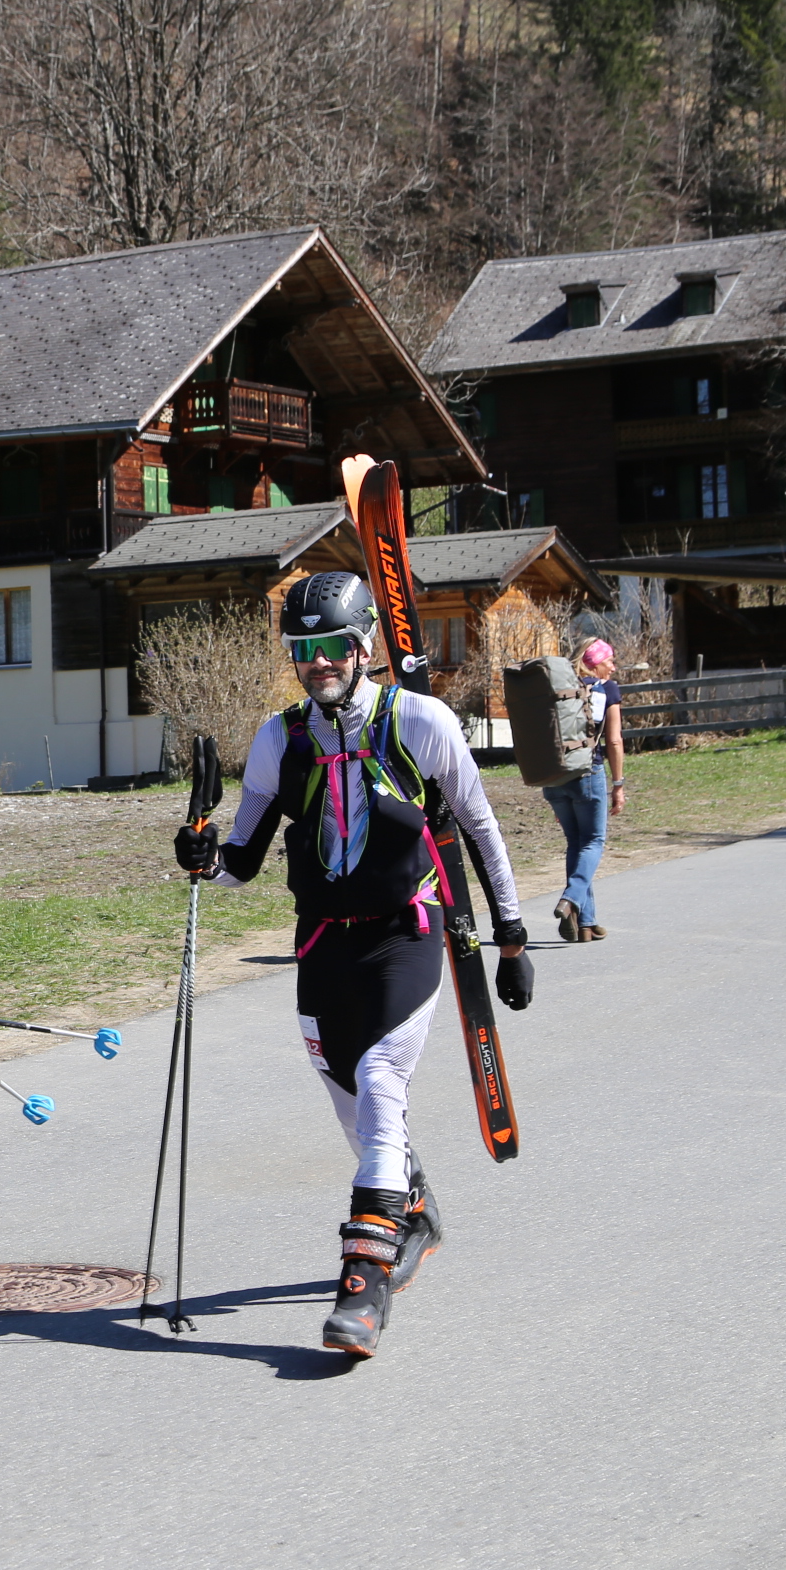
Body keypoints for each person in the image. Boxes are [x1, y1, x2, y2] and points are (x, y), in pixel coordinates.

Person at [170, 571, 530, 1360]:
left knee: (379, 1080)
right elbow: (243, 860)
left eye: (334, 646)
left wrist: (509, 935)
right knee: (354, 1112)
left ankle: (363, 1283)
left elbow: (480, 827)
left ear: (364, 646)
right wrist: (203, 859)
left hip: (408, 930)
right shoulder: (281, 740)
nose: (319, 663)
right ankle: (413, 1209)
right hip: (323, 943)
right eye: (304, 650)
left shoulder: (420, 722)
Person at [546, 638, 628, 943]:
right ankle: (570, 900)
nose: (613, 667)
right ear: (593, 663)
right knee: (593, 842)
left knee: (576, 844)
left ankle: (586, 923)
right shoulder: (607, 689)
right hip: (587, 773)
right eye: (609, 661)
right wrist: (618, 785)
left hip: (553, 776)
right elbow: (614, 741)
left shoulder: (556, 687)